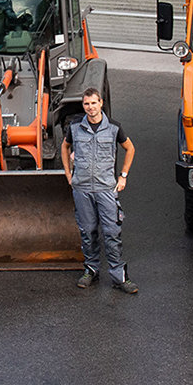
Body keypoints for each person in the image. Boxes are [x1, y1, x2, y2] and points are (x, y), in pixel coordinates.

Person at [59, 88, 138, 293]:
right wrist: (68, 174)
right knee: (88, 231)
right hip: (82, 188)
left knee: (112, 232)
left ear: (101, 103)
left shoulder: (113, 127)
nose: (90, 108)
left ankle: (119, 276)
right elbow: (65, 147)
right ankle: (91, 270)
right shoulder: (75, 127)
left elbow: (130, 148)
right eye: (86, 104)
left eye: (93, 103)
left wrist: (123, 176)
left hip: (105, 188)